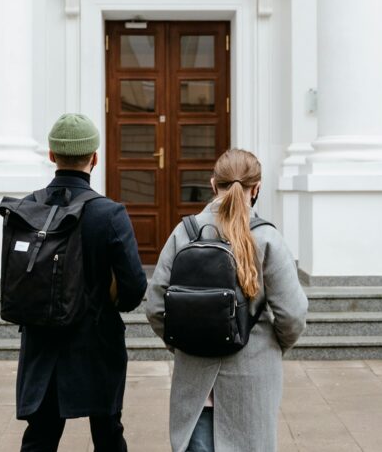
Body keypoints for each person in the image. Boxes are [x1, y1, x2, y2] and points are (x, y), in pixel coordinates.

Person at [145, 149, 309, 452]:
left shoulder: (184, 233)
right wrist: (272, 347)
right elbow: (293, 314)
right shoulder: (266, 238)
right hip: (252, 373)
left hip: (194, 374)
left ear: (212, 184)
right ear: (256, 188)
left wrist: (184, 342)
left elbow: (155, 306)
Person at [16, 113, 148, 452]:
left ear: (51, 155)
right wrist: (113, 301)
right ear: (95, 158)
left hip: (42, 339)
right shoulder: (109, 213)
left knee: (40, 437)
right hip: (97, 340)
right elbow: (134, 286)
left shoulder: (27, 207)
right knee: (108, 434)